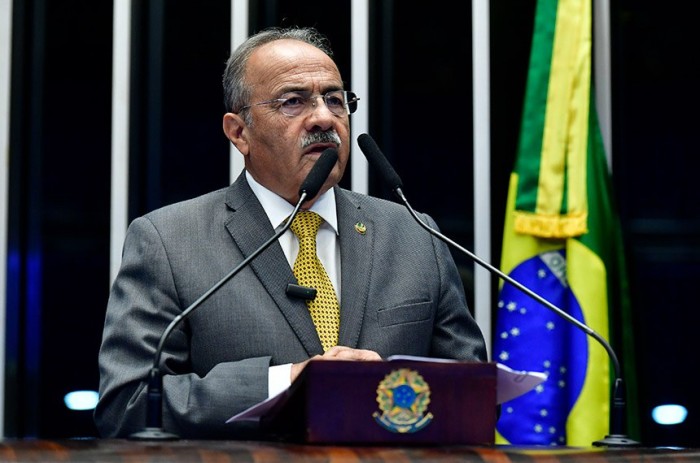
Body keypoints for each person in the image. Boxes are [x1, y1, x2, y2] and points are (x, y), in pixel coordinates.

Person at [94, 26, 487, 439]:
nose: (323, 118)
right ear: (239, 132)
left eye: (335, 100)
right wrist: (287, 382)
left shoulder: (415, 235)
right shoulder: (170, 241)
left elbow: (477, 399)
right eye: (293, 101)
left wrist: (393, 387)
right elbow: (128, 405)